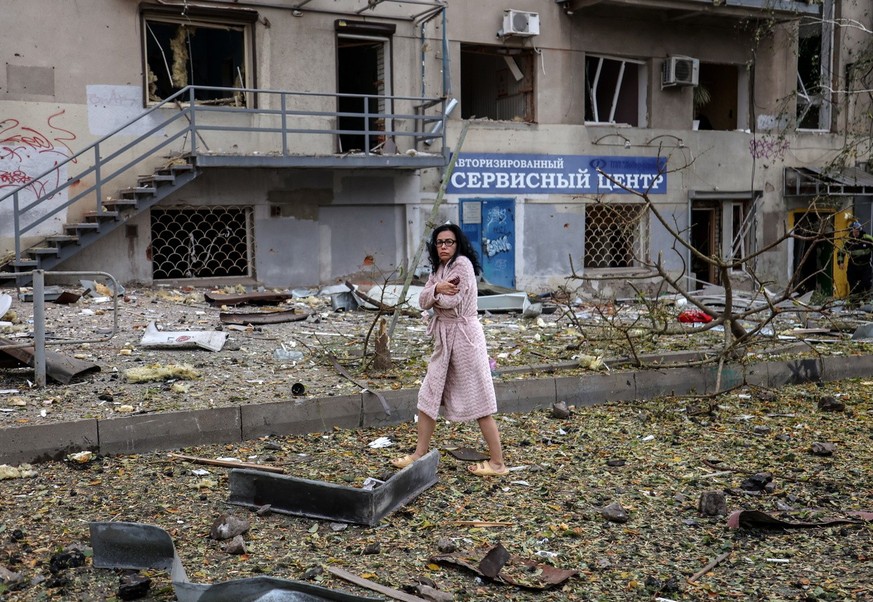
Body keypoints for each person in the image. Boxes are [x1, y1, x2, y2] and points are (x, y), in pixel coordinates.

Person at [391, 223, 508, 476]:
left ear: (458, 244)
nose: (443, 246)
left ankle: (498, 463)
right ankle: (418, 453)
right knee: (428, 393)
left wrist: (435, 293)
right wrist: (435, 289)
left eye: (449, 242)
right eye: (439, 242)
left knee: (479, 400)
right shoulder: (440, 269)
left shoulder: (462, 265)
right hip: (444, 338)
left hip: (465, 339)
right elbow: (422, 300)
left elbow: (450, 300)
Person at [837, 221, 873, 304]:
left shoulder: (868, 239)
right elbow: (840, 252)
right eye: (853, 232)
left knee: (866, 284)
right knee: (853, 284)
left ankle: (867, 301)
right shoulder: (849, 242)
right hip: (853, 266)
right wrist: (841, 262)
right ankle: (854, 303)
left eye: (856, 231)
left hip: (865, 266)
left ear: (860, 231)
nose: (855, 233)